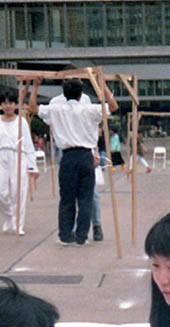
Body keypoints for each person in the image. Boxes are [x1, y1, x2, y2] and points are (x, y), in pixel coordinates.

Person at [29, 75, 118, 246]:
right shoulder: (89, 109)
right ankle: (81, 237)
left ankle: (65, 235)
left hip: (68, 157)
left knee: (67, 199)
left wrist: (35, 86)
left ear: (64, 93)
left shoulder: (57, 109)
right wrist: (103, 86)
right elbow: (113, 106)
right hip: (85, 156)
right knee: (85, 198)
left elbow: (32, 107)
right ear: (80, 94)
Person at [0, 91, 39, 236]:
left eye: (10, 103)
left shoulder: (21, 122)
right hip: (1, 156)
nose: (7, 106)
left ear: (15, 104)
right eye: (4, 103)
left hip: (18, 156)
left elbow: (28, 144)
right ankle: (9, 216)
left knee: (18, 191)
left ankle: (18, 224)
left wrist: (32, 166)